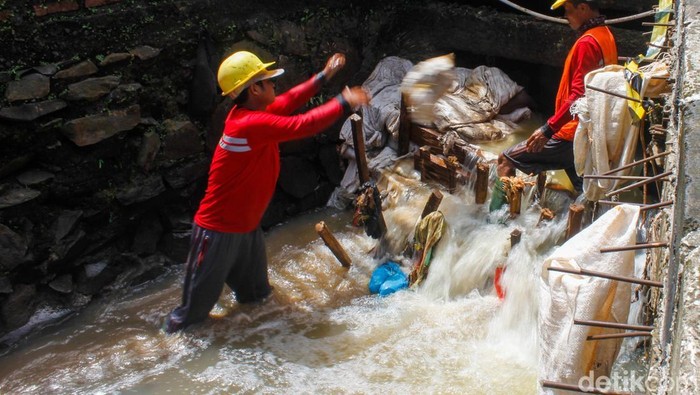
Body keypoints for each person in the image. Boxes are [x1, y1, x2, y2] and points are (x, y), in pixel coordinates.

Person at [164, 51, 369, 332]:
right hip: (217, 232)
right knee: (190, 318)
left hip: (247, 230)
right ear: (254, 88)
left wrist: (324, 76)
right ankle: (170, 359)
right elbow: (302, 124)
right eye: (268, 80)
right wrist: (344, 101)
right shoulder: (248, 124)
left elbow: (289, 101)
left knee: (258, 299)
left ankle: (256, 339)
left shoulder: (253, 113)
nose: (275, 85)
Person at [490, 0, 617, 211]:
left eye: (568, 10)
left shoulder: (587, 43)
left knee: (506, 159)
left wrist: (548, 129)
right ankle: (587, 227)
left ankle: (495, 222)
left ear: (583, 8)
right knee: (585, 192)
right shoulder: (606, 35)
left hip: (570, 131)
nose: (565, 16)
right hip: (588, 129)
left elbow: (578, 94)